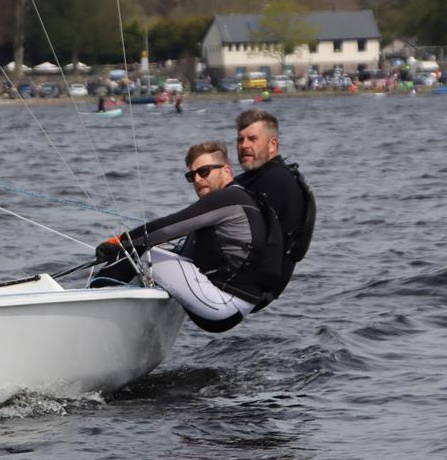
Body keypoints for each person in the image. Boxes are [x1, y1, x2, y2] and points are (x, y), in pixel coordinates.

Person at [92, 141, 283, 332]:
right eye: (192, 175)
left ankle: (93, 314)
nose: (198, 179)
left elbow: (169, 228)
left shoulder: (228, 198)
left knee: (134, 254)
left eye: (205, 171)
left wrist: (119, 242)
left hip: (222, 304)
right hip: (232, 306)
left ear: (226, 171)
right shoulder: (242, 198)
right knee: (147, 254)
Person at [234, 109, 315, 298]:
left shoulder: (276, 180)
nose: (244, 145)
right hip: (258, 288)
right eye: (240, 140)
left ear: (272, 145)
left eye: (252, 139)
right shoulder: (257, 178)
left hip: (249, 288)